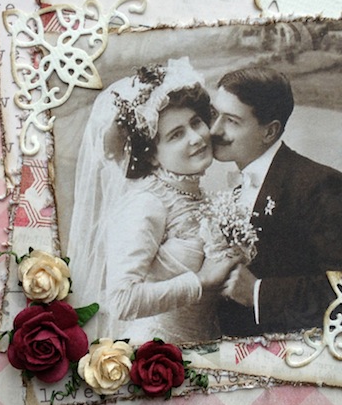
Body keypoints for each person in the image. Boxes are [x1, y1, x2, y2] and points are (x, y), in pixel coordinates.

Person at [68, 58, 238, 344]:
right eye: (176, 135)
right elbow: (121, 300)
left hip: (206, 343)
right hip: (157, 349)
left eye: (196, 123)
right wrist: (201, 282)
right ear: (151, 155)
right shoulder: (146, 203)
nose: (196, 138)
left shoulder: (198, 194)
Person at [210, 66, 342, 337]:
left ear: (270, 132)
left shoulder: (322, 185)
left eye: (232, 121)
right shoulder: (238, 188)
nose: (214, 129)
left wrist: (258, 293)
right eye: (214, 114)